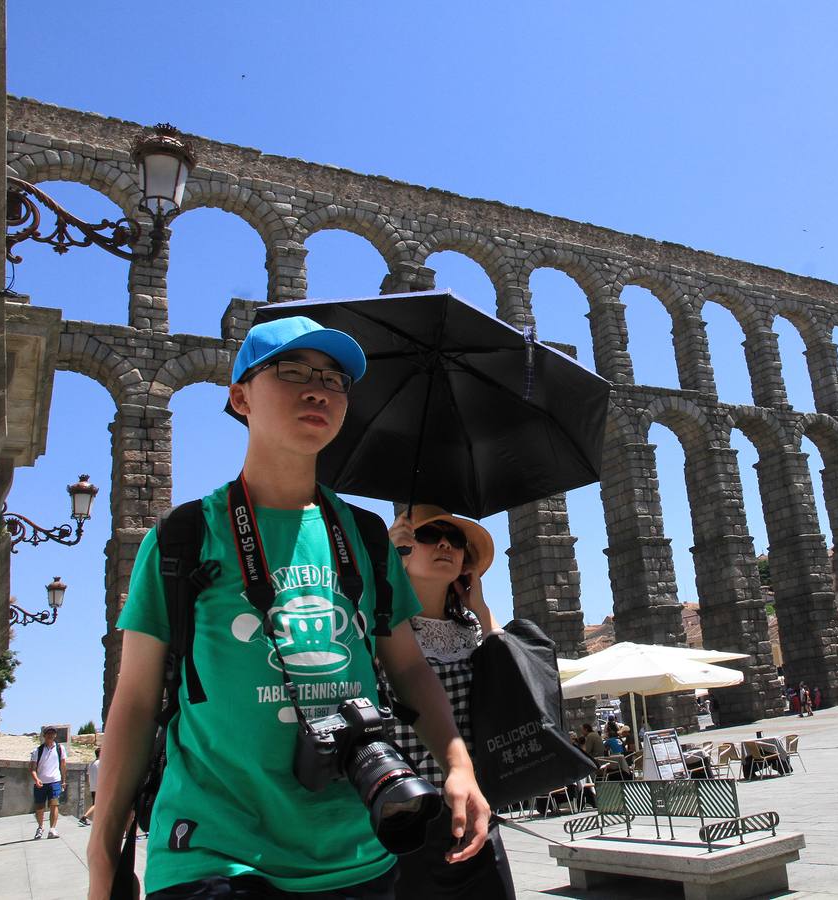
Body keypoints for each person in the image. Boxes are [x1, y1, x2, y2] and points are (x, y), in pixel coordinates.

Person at [88, 317, 490, 900]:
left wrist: (458, 764)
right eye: (292, 371)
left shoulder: (368, 537)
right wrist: (104, 857)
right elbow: (135, 701)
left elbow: (407, 667)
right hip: (213, 852)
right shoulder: (182, 538)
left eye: (335, 379)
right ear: (239, 396)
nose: (317, 389)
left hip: (358, 853)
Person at [387, 505, 515, 899]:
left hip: (475, 811)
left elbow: (516, 687)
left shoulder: (473, 629)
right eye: (429, 535)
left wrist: (482, 609)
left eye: (455, 539)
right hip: (400, 822)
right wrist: (385, 568)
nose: (445, 543)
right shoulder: (373, 624)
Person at [30, 726, 67, 840]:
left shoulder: (60, 749)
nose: (51, 735)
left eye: (53, 733)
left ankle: (52, 829)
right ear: (44, 735)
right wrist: (36, 779)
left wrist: (63, 781)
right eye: (48, 733)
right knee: (40, 807)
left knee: (54, 804)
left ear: (55, 735)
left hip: (55, 781)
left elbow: (63, 765)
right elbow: (32, 768)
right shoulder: (38, 750)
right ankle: (40, 827)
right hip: (41, 782)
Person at [79, 746, 100, 826]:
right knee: (96, 804)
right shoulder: (101, 763)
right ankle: (84, 817)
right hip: (100, 787)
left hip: (93, 787)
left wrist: (90, 785)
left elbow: (88, 776)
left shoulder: (91, 764)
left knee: (96, 804)